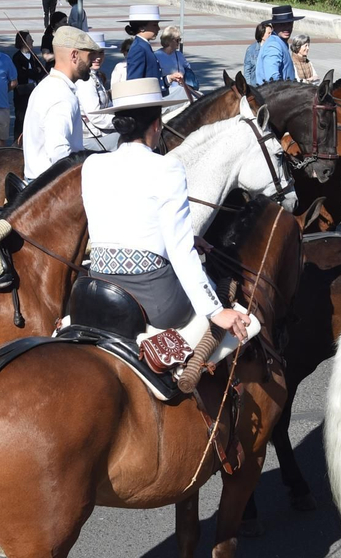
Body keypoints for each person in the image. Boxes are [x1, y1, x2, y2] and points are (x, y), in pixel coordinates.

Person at [81, 75, 253, 345]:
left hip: (99, 287)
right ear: (157, 125)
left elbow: (117, 222)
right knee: (225, 308)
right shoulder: (167, 167)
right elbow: (180, 250)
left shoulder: (92, 164)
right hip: (153, 299)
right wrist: (216, 311)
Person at [22, 26, 101, 179]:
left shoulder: (46, 85)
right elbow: (58, 153)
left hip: (39, 183)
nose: (92, 62)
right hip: (50, 189)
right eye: (89, 56)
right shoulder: (61, 95)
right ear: (74, 56)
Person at [77, 39, 117, 151]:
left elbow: (107, 106)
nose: (98, 57)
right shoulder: (86, 81)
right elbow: (95, 116)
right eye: (93, 53)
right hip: (92, 136)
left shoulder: (95, 76)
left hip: (102, 131)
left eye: (101, 53)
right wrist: (121, 121)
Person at [121, 4, 168, 88]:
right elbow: (134, 80)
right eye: (154, 25)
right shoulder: (138, 48)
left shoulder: (144, 45)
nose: (158, 28)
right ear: (142, 28)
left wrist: (168, 79)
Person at [10, 30, 48, 136]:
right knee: (21, 119)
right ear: (23, 42)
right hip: (22, 93)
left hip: (34, 92)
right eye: (30, 39)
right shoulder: (17, 57)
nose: (32, 41)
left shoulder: (33, 56)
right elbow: (21, 74)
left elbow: (40, 71)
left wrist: (34, 72)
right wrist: (35, 72)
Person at [257, 4, 299, 83]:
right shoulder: (273, 45)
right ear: (274, 25)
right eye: (282, 24)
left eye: (289, 23)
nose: (286, 27)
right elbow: (272, 78)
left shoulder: (279, 42)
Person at [156, 26, 193, 98]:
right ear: (169, 40)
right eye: (177, 40)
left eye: (180, 39)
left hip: (181, 89)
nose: (179, 42)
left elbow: (187, 68)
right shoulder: (157, 56)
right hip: (166, 93)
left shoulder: (179, 54)